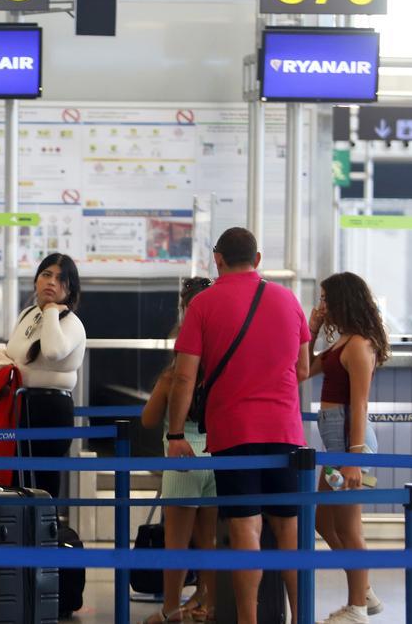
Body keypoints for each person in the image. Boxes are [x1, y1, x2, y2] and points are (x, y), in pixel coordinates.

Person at [166, 227, 310, 624]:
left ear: (218, 259)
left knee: (246, 530)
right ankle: (301, 616)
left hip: (234, 434)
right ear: (258, 259)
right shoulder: (288, 300)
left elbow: (184, 377)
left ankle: (248, 619)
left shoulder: (203, 305)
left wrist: (176, 434)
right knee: (289, 533)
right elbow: (304, 367)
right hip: (286, 432)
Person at [308, 273, 389, 624]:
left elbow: (360, 405)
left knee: (349, 527)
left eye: (326, 299)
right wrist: (310, 329)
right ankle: (364, 589)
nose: (322, 305)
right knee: (323, 521)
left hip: (349, 443)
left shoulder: (358, 345)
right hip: (335, 443)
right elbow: (297, 371)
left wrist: (353, 460)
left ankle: (358, 608)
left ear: (343, 300)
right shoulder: (340, 341)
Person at [140, 276, 217, 624]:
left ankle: (171, 610)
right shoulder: (221, 368)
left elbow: (148, 418)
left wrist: (164, 384)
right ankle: (207, 602)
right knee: (209, 541)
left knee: (177, 543)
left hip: (182, 456)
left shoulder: (175, 376)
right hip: (218, 456)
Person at [0, 253, 86, 499]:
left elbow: (52, 351)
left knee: (43, 483)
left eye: (61, 279)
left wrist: (52, 310)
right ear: (36, 280)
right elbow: (12, 354)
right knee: (16, 480)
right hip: (20, 404)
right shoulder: (27, 314)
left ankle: (44, 535)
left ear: (70, 289)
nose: (51, 282)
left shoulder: (72, 323)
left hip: (51, 408)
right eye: (46, 274)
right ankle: (18, 535)